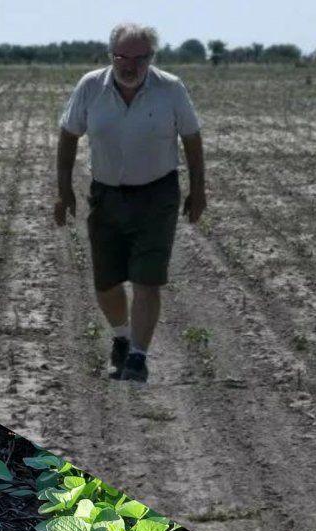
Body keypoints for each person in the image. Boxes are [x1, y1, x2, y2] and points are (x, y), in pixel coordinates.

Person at [53, 22, 206, 383]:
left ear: (152, 57)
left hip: (157, 196)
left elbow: (192, 139)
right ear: (112, 55)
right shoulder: (90, 87)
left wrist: (198, 190)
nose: (130, 65)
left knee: (146, 279)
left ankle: (138, 357)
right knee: (106, 283)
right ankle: (121, 339)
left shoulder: (170, 89)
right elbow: (68, 135)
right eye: (123, 56)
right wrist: (64, 190)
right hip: (106, 196)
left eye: (140, 57)